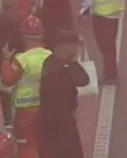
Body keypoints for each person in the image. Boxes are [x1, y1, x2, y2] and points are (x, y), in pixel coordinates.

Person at [0, 15, 52, 158]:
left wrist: (5, 60)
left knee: (27, 147)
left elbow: (7, 80)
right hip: (46, 108)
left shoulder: (22, 60)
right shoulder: (50, 56)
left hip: (25, 111)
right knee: (46, 144)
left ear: (24, 37)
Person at [39, 30, 90, 158]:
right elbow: (83, 80)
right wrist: (73, 62)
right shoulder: (62, 70)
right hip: (61, 122)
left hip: (50, 120)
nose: (76, 51)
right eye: (74, 47)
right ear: (64, 48)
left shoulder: (50, 62)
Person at [0, 0, 25, 125]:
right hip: (18, 55)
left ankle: (7, 119)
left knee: (4, 89)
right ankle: (19, 114)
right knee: (19, 86)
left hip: (1, 56)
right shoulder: (21, 17)